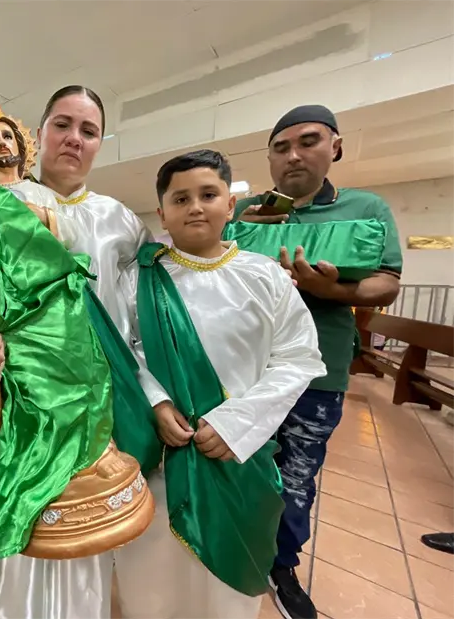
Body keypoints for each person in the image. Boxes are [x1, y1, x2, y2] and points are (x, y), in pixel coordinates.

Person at [0, 87, 160, 619]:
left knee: (81, 542)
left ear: (99, 144)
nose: (74, 139)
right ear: (37, 136)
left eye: (88, 131)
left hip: (91, 404)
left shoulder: (122, 223)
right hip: (11, 396)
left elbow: (140, 319)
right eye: (62, 125)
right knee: (15, 543)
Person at [112, 150, 325, 619]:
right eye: (180, 198)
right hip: (162, 456)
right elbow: (126, 353)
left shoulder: (265, 275)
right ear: (162, 212)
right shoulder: (139, 279)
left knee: (225, 593)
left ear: (230, 204)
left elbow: (298, 357)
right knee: (152, 581)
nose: (195, 207)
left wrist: (235, 424)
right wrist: (157, 401)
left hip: (237, 457)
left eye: (208, 195)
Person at [233, 105, 402, 619]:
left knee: (297, 474)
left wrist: (334, 288)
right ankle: (235, 550)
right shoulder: (249, 215)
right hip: (245, 368)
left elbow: (387, 282)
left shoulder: (364, 207)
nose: (293, 156)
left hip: (316, 370)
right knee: (241, 462)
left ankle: (281, 566)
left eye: (308, 142)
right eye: (280, 148)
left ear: (336, 147)